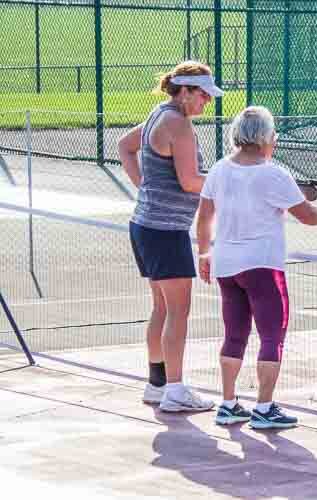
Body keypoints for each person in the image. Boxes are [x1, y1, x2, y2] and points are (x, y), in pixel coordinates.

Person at [196, 106, 317, 428]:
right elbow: (308, 216)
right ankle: (264, 407)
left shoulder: (219, 169)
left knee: (234, 334)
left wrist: (204, 253)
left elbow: (204, 216)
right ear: (265, 138)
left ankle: (229, 403)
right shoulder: (274, 174)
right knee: (272, 335)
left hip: (227, 265)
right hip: (262, 266)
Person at [118, 60, 223, 412]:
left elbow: (124, 145)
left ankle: (157, 384)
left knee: (162, 307)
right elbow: (190, 181)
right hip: (165, 232)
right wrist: (229, 179)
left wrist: (143, 186)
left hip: (146, 226)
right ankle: (176, 391)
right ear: (186, 90)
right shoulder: (178, 124)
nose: (207, 102)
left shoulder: (158, 114)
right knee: (178, 311)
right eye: (204, 95)